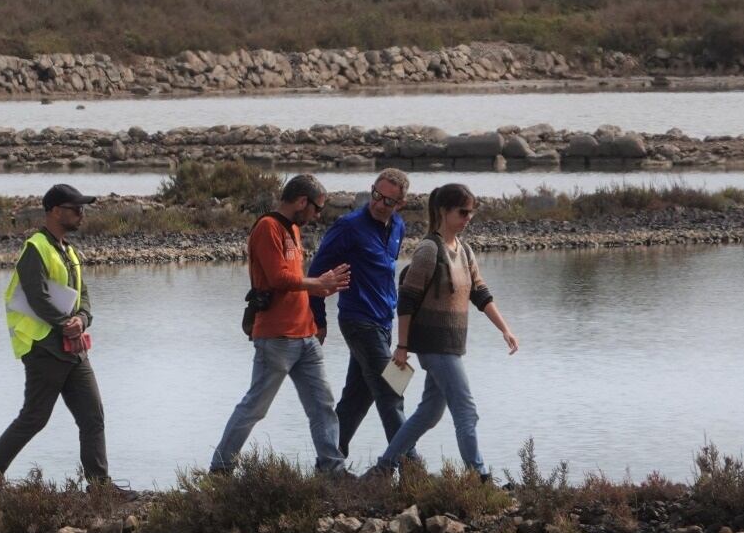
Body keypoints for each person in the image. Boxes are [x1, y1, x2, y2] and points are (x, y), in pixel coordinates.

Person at [371, 183, 519, 483]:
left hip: (452, 345)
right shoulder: (429, 249)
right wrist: (402, 346)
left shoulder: (464, 250)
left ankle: (384, 466)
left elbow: (480, 294)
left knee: (429, 413)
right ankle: (478, 476)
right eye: (462, 212)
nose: (468, 218)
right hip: (434, 346)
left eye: (471, 213)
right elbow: (407, 301)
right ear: (443, 211)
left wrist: (505, 329)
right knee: (466, 410)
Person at [0, 184, 116, 493]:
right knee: (34, 418)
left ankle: (99, 487)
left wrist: (82, 319)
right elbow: (36, 297)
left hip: (74, 351)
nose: (81, 214)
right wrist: (65, 322)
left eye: (83, 209)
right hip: (44, 349)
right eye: (75, 208)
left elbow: (85, 296)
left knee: (93, 417)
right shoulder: (35, 248)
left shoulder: (69, 250)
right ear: (55, 211)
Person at [209, 174, 352, 476]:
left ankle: (332, 469)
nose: (317, 215)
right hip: (276, 338)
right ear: (302, 201)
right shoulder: (268, 228)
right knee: (254, 408)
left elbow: (296, 280)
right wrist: (318, 283)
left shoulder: (294, 230)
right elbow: (278, 279)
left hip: (306, 336)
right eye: (317, 208)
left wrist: (320, 292)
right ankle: (220, 469)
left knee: (323, 404)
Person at [307, 168, 413, 461]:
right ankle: (410, 468)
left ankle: (329, 463)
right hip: (357, 321)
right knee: (392, 393)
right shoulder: (348, 226)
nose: (379, 203)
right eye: (376, 195)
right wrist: (319, 320)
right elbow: (315, 274)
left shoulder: (399, 227)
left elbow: (386, 273)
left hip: (383, 323)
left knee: (357, 399)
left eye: (388, 201)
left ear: (400, 204)